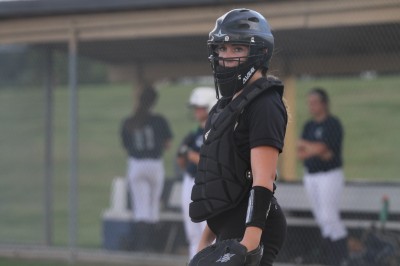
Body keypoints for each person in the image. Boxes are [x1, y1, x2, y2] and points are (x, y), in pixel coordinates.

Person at [189, 8, 288, 266]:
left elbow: (263, 179)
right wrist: (203, 243)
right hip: (227, 229)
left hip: (253, 229)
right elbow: (224, 183)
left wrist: (249, 245)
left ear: (259, 52)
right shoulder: (224, 108)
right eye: (222, 49)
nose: (226, 57)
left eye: (237, 49)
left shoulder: (265, 104)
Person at [297, 88, 348, 266]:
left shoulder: (332, 124)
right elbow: (301, 153)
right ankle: (330, 258)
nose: (311, 106)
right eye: (309, 102)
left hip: (329, 175)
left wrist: (312, 148)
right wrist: (316, 149)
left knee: (329, 216)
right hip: (311, 176)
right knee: (321, 218)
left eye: (315, 102)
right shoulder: (309, 126)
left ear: (324, 103)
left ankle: (341, 257)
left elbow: (326, 151)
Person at [120, 86, 173, 251]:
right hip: (154, 164)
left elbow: (126, 145)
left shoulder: (129, 121)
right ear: (153, 102)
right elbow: (167, 144)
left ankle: (141, 245)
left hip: (136, 164)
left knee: (140, 205)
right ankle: (151, 245)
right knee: (153, 205)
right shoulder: (159, 120)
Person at [177, 86, 217, 260]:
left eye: (200, 107)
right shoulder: (193, 133)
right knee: (192, 232)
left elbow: (207, 161)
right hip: (190, 180)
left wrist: (190, 154)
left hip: (209, 183)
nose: (196, 111)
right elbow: (181, 160)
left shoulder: (216, 130)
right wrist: (186, 155)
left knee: (207, 232)